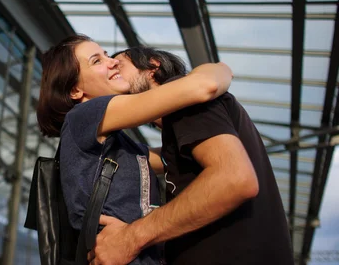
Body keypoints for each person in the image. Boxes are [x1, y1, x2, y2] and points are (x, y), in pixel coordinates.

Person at [36, 35, 233, 265]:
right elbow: (204, 86)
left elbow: (168, 157)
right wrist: (221, 68)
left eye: (106, 54)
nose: (112, 62)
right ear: (75, 90)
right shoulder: (83, 116)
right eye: (96, 61)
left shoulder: (118, 143)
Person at [89, 46, 293, 265]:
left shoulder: (182, 98)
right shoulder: (177, 133)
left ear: (153, 66)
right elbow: (139, 158)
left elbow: (234, 178)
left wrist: (129, 239)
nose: (112, 71)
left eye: (119, 65)